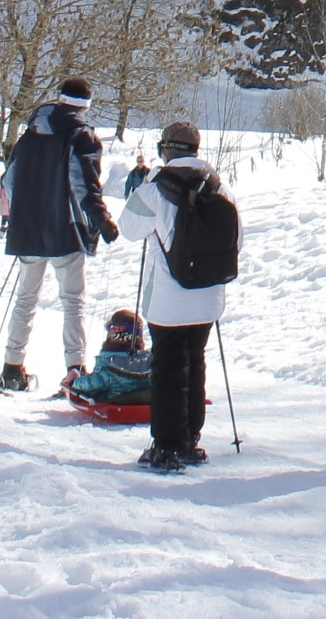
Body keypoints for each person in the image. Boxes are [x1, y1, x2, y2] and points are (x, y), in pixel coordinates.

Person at [119, 119, 240, 471]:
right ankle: (190, 439)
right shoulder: (221, 189)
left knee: (168, 366)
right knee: (195, 361)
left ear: (166, 149)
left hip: (168, 298)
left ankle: (168, 445)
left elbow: (129, 230)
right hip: (208, 295)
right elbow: (236, 242)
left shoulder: (154, 189)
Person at [0, 77, 113, 393]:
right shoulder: (81, 136)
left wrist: (24, 213)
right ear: (86, 105)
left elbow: (9, 183)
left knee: (25, 299)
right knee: (72, 301)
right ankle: (75, 370)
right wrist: (100, 219)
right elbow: (83, 185)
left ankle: (11, 367)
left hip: (29, 230)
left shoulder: (29, 135)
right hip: (65, 230)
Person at [67, 310, 153, 408]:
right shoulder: (149, 359)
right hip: (146, 401)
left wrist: (74, 382)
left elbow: (95, 383)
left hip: (116, 404)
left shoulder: (108, 362)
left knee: (95, 390)